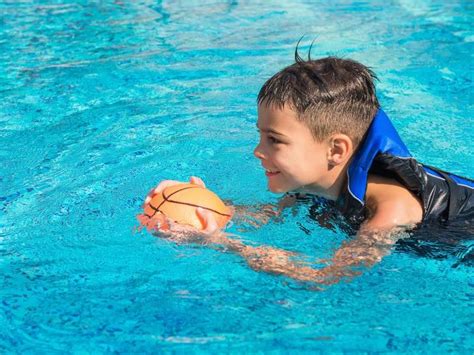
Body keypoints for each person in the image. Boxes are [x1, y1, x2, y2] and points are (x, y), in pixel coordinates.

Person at [140, 52, 474, 284]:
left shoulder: (392, 208)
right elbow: (270, 216)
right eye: (260, 136)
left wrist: (224, 244)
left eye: (275, 140)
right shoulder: (308, 186)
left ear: (336, 150)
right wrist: (204, 206)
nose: (258, 151)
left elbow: (326, 275)